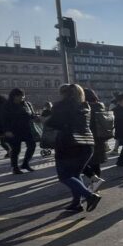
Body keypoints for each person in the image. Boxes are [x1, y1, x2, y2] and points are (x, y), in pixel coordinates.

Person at [45, 84, 101, 212]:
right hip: (87, 145)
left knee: (64, 176)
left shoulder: (61, 106)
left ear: (64, 93)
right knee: (75, 175)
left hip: (69, 144)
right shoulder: (86, 106)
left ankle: (90, 196)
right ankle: (77, 203)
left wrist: (44, 120)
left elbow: (53, 123)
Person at [1, 88, 38, 174]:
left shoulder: (26, 104)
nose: (22, 98)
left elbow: (31, 114)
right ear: (14, 96)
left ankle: (25, 163)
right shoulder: (7, 105)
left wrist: (34, 117)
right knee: (16, 149)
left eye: (23, 96)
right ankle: (15, 167)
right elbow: (3, 119)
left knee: (32, 145)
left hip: (26, 129)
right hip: (13, 130)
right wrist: (6, 130)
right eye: (20, 96)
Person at [81, 89, 108, 192]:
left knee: (81, 163)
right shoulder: (100, 106)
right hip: (100, 138)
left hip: (88, 138)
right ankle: (94, 188)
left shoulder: (85, 107)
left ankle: (94, 185)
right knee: (96, 164)